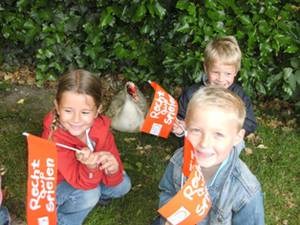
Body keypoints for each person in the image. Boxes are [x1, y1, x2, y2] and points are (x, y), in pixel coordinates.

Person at [154, 86, 265, 225]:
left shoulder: (245, 190)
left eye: (218, 134)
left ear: (237, 137)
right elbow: (167, 191)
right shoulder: (179, 159)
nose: (204, 143)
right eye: (196, 130)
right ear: (186, 127)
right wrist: (171, 217)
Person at [42, 69, 131, 225]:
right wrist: (90, 168)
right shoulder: (53, 138)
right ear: (57, 106)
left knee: (123, 184)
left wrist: (113, 168)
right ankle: (63, 220)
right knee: (90, 193)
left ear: (98, 110)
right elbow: (82, 182)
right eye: (68, 111)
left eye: (85, 112)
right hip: (57, 185)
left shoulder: (101, 128)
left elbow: (114, 170)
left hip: (88, 175)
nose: (76, 119)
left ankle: (99, 198)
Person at [173, 36, 257, 143]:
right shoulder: (192, 94)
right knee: (178, 157)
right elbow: (180, 119)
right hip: (198, 142)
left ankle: (228, 158)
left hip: (226, 142)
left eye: (228, 74)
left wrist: (229, 130)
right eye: (216, 72)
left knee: (238, 144)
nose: (221, 79)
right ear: (206, 68)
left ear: (235, 72)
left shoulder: (239, 94)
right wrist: (180, 129)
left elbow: (250, 122)